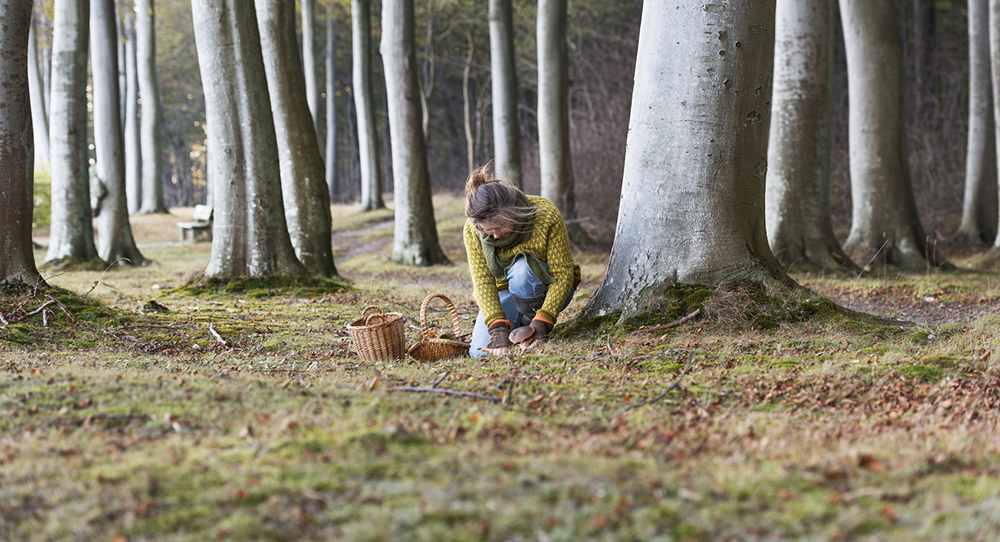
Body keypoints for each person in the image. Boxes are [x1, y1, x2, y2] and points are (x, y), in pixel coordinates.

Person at [463, 164, 581, 357]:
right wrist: (497, 327)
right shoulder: (472, 229)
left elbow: (563, 274)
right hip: (506, 292)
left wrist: (543, 321)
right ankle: (516, 331)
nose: (495, 236)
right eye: (487, 230)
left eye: (500, 226)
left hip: (547, 287)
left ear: (514, 211)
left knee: (522, 270)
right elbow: (483, 282)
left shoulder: (545, 214)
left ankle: (531, 325)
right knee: (479, 353)